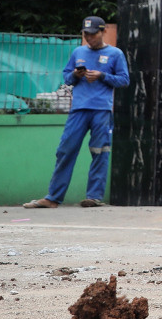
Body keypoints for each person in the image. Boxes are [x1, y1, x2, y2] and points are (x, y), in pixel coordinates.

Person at [23, 16, 129, 209]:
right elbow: (67, 77)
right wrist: (75, 75)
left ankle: (93, 197)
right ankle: (53, 198)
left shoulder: (115, 54)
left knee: (100, 152)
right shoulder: (78, 52)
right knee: (65, 150)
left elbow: (124, 80)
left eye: (93, 34)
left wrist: (102, 75)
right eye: (86, 34)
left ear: (103, 32)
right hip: (78, 109)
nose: (89, 38)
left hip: (102, 110)